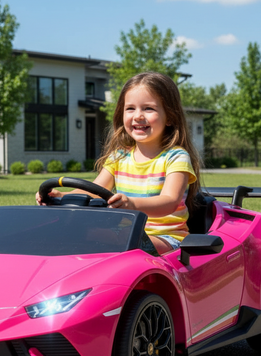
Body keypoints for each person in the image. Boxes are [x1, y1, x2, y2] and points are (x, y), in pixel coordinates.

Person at [36, 72, 201, 255]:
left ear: (170, 116)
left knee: (125, 246)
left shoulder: (176, 157)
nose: (138, 116)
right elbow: (94, 189)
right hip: (124, 234)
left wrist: (132, 204)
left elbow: (169, 201)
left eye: (148, 108)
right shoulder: (119, 156)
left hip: (167, 238)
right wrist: (61, 195)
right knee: (76, 235)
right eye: (130, 108)